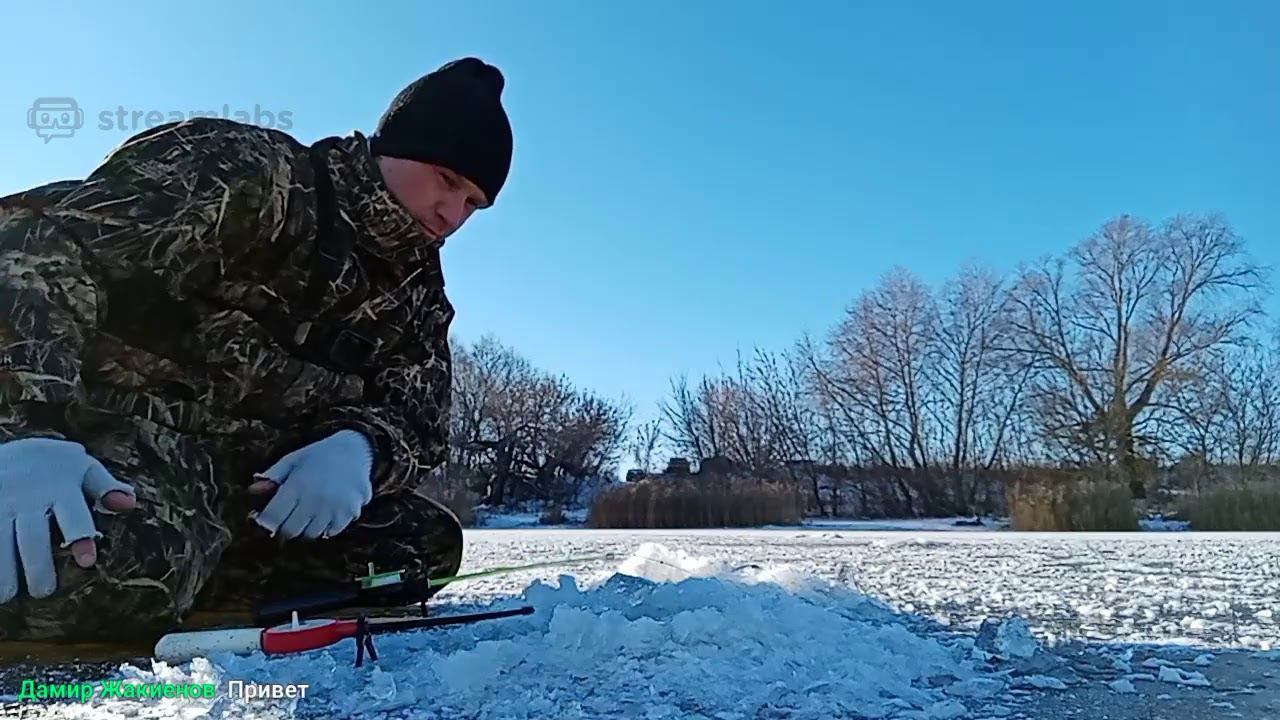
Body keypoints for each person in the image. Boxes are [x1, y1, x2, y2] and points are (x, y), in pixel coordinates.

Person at [0, 57, 513, 642]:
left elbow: (420, 417)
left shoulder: (420, 295)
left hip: (259, 491)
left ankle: (191, 567)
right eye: (446, 180)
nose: (453, 214)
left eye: (473, 204)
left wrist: (360, 448)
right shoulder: (248, 173)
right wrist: (27, 431)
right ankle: (162, 565)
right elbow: (41, 241)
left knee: (422, 548)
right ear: (393, 148)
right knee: (89, 573)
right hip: (119, 441)